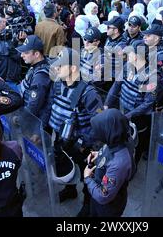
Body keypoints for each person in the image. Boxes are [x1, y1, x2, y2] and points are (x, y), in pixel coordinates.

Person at [45, 47, 103, 216]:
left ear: (72, 68)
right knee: (64, 167)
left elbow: (99, 123)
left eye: (60, 66)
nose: (55, 69)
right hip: (61, 140)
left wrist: (93, 148)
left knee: (87, 177)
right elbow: (52, 107)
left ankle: (88, 203)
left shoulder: (88, 93)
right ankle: (70, 190)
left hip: (82, 145)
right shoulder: (57, 84)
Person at [105, 40, 163, 164]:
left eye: (129, 53)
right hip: (123, 109)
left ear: (137, 56)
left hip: (139, 118)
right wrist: (106, 104)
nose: (127, 56)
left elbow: (148, 103)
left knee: (136, 144)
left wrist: (128, 116)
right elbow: (116, 86)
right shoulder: (127, 66)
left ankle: (132, 166)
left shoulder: (152, 76)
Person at [84, 109, 134, 217]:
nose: (97, 133)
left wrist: (87, 177)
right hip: (98, 195)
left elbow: (103, 196)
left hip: (107, 209)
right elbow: (109, 150)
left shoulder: (119, 163)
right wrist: (99, 154)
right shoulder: (117, 139)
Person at [17, 35, 52, 125]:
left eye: (26, 53)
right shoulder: (37, 65)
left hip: (35, 121)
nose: (21, 55)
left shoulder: (40, 76)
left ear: (36, 54)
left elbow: (34, 105)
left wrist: (22, 120)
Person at [0, 12, 25, 84]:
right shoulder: (4, 45)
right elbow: (19, 55)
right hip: (6, 77)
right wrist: (21, 42)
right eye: (2, 22)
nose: (5, 23)